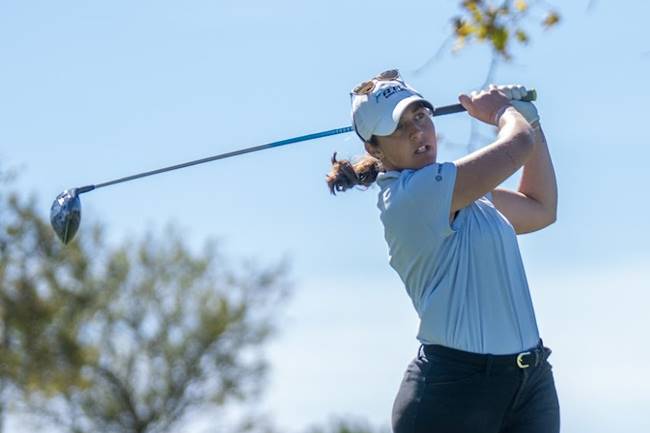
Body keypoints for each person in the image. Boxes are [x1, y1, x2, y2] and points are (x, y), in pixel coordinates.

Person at [326, 69, 559, 433]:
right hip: (454, 394)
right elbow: (517, 146)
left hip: (529, 384)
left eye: (420, 116)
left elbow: (540, 207)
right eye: (399, 127)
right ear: (374, 148)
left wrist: (531, 122)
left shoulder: (465, 192)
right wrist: (503, 112)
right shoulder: (412, 197)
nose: (417, 131)